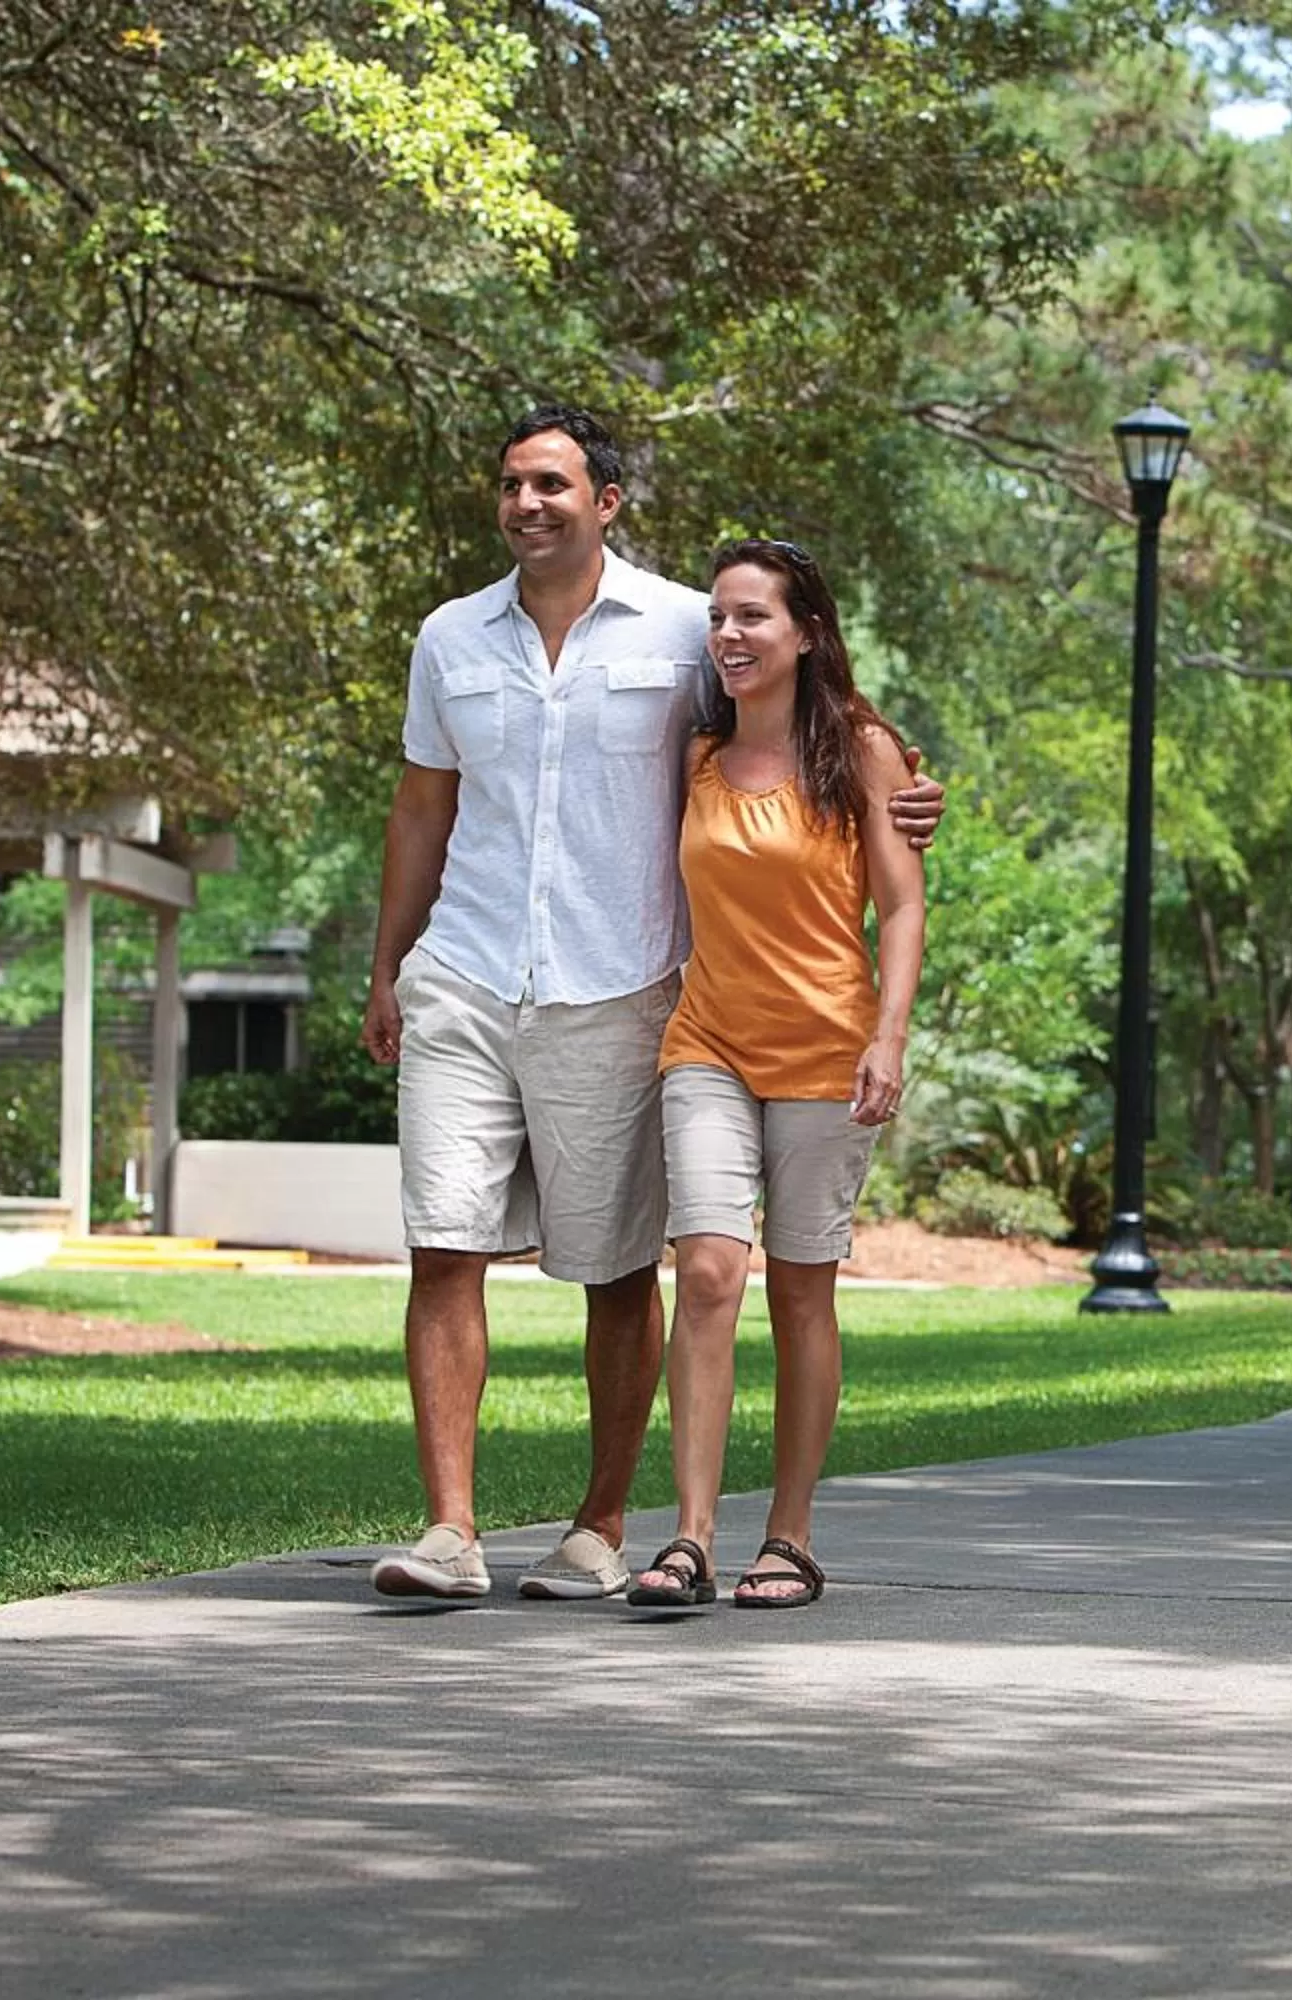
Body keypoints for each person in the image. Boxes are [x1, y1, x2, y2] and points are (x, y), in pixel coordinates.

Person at [360, 409, 939, 1601]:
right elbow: (421, 807)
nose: (527, 503)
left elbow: (820, 721)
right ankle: (452, 1530)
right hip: (468, 969)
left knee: (620, 1265)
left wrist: (910, 794)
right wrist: (388, 963)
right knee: (444, 1243)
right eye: (511, 484)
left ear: (607, 500)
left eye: (552, 483)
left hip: (619, 984)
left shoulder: (685, 626)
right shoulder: (449, 637)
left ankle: (603, 1526)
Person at [625, 540, 923, 1611]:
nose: (730, 634)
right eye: (719, 617)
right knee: (708, 1271)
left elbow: (903, 903)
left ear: (806, 632)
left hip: (827, 1053)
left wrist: (888, 1037)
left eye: (753, 616)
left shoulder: (865, 752)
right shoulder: (697, 753)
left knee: (802, 1289)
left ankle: (789, 1537)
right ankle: (690, 1538)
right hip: (706, 1042)